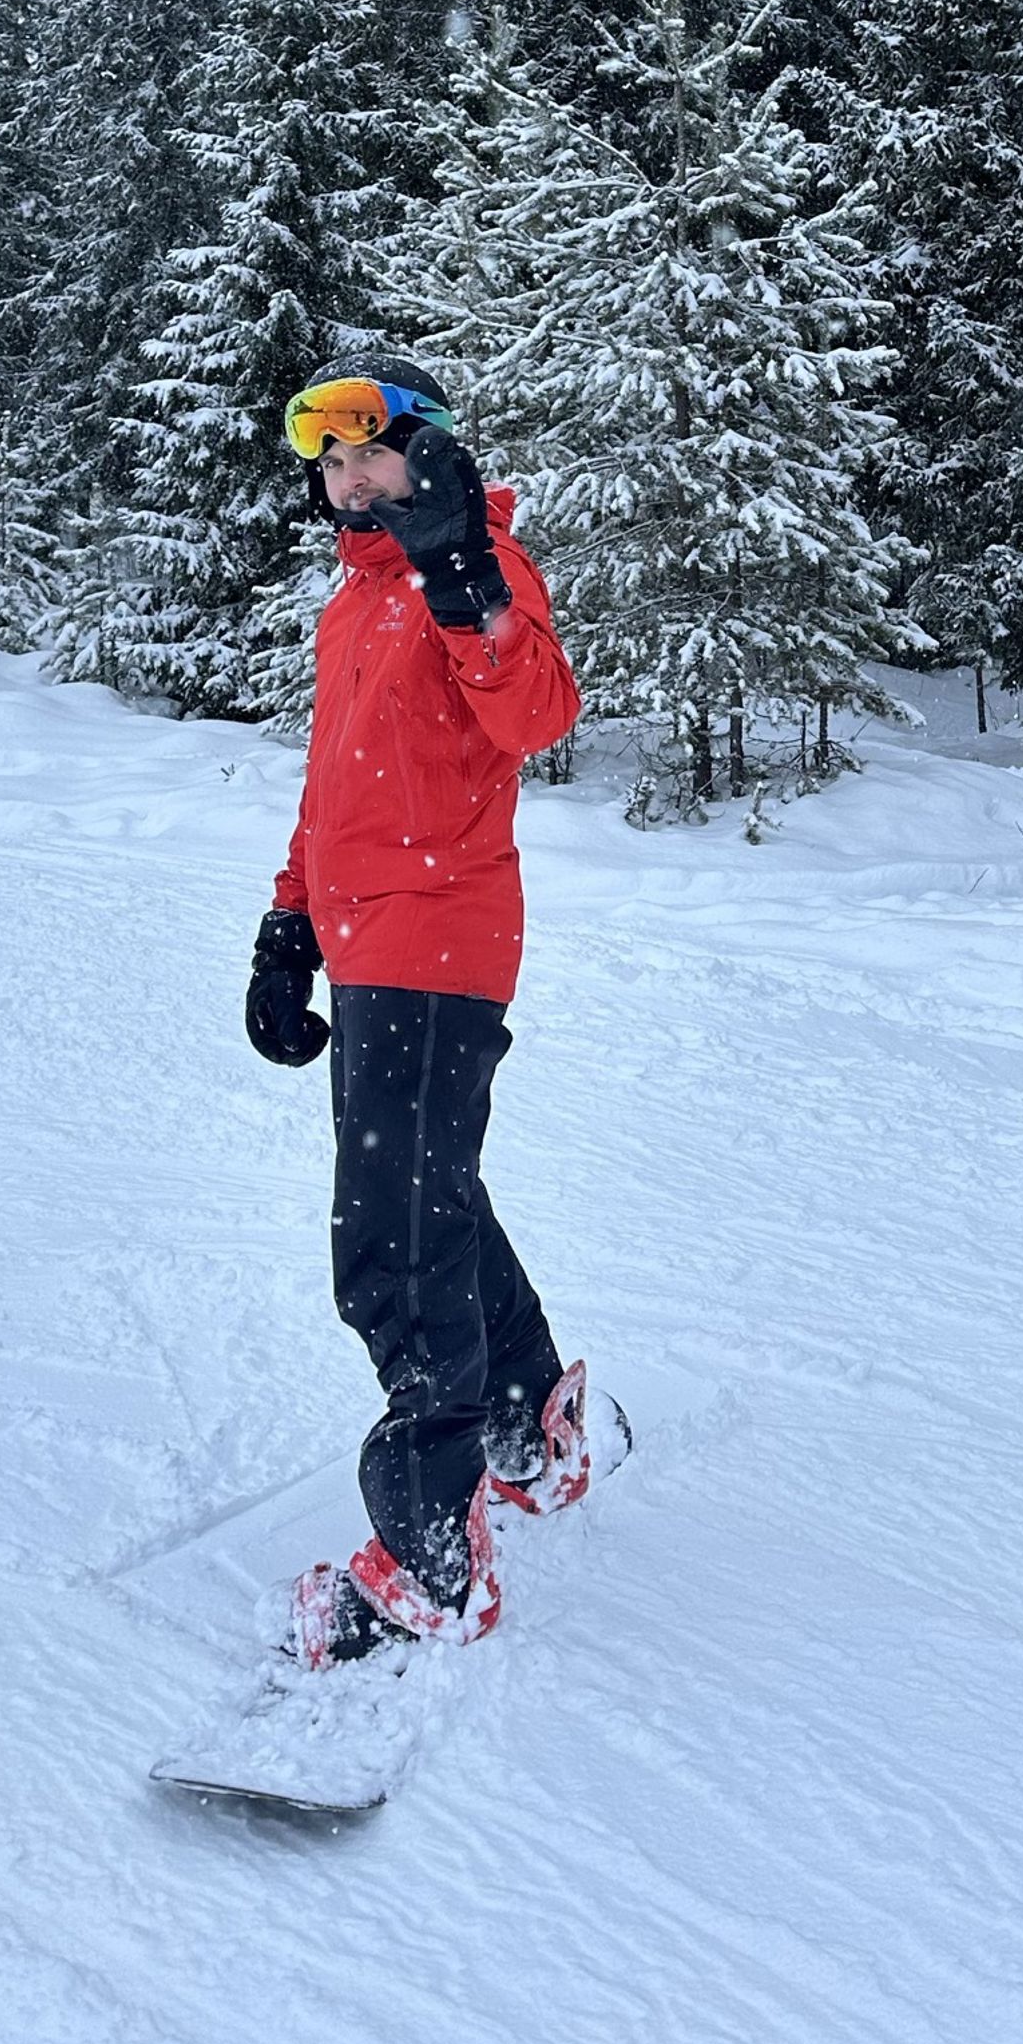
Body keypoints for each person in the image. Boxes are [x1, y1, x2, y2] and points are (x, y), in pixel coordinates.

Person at [244, 357, 601, 1666]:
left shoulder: (477, 573)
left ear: (431, 453)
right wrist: (289, 926)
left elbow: (537, 715)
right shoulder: (353, 609)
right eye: (326, 461)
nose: (345, 479)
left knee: (389, 1245)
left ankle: (431, 1558)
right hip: (366, 947)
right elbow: (333, 790)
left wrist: (467, 582)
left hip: (440, 947)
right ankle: (527, 1428)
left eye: (368, 451)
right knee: (432, 1199)